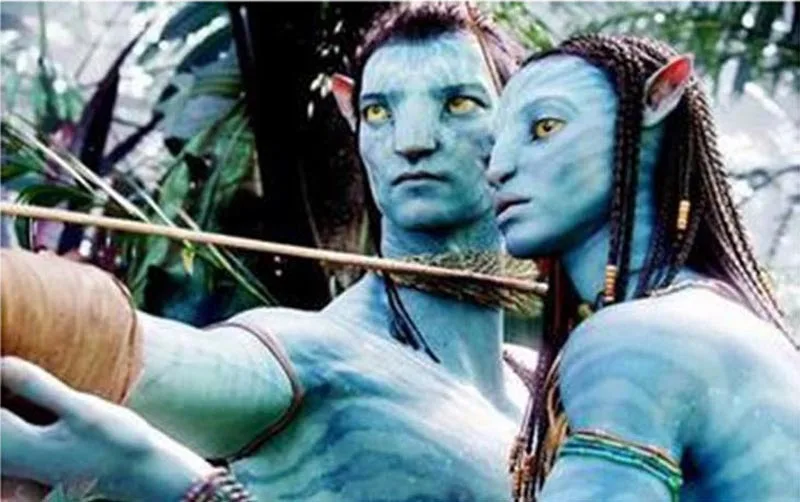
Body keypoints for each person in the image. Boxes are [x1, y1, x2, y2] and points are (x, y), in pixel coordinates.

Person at [1, 4, 534, 501]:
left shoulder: (543, 379)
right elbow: (135, 347)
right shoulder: (312, 359)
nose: (411, 141)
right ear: (350, 113)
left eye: (459, 104)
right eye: (378, 112)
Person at [488, 34, 800, 501]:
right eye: (494, 144)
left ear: (660, 97)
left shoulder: (638, 339)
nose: (496, 168)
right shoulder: (733, 320)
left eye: (545, 127)